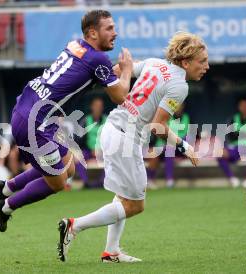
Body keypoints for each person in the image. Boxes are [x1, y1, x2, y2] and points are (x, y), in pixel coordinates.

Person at [57, 32, 207, 263]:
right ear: (186, 62)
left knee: (123, 196)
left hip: (113, 130)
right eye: (202, 61)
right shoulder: (179, 85)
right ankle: (74, 226)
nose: (207, 66)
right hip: (125, 138)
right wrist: (185, 146)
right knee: (136, 205)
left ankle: (111, 252)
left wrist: (122, 71)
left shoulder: (154, 63)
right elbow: (158, 126)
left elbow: (117, 72)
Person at [0, 10, 133, 232]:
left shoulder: (77, 45)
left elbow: (83, 75)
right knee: (57, 183)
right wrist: (127, 71)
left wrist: (112, 75)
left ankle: (5, 188)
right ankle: (5, 207)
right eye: (109, 28)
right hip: (34, 124)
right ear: (93, 33)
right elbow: (120, 96)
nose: (115, 33)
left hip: (29, 108)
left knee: (70, 167)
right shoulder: (98, 59)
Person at [146, 103, 191, 188]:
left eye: (180, 106)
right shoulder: (167, 117)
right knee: (163, 151)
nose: (178, 108)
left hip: (179, 147)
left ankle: (168, 180)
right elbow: (161, 135)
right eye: (176, 107)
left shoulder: (186, 117)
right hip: (164, 147)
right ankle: (155, 180)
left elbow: (187, 135)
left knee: (172, 148)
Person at [75, 96, 107, 187]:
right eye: (96, 106)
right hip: (88, 150)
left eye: (100, 106)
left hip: (104, 151)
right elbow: (78, 139)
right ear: (92, 107)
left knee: (113, 159)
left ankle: (103, 183)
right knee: (78, 158)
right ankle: (86, 183)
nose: (98, 108)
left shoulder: (108, 121)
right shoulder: (85, 121)